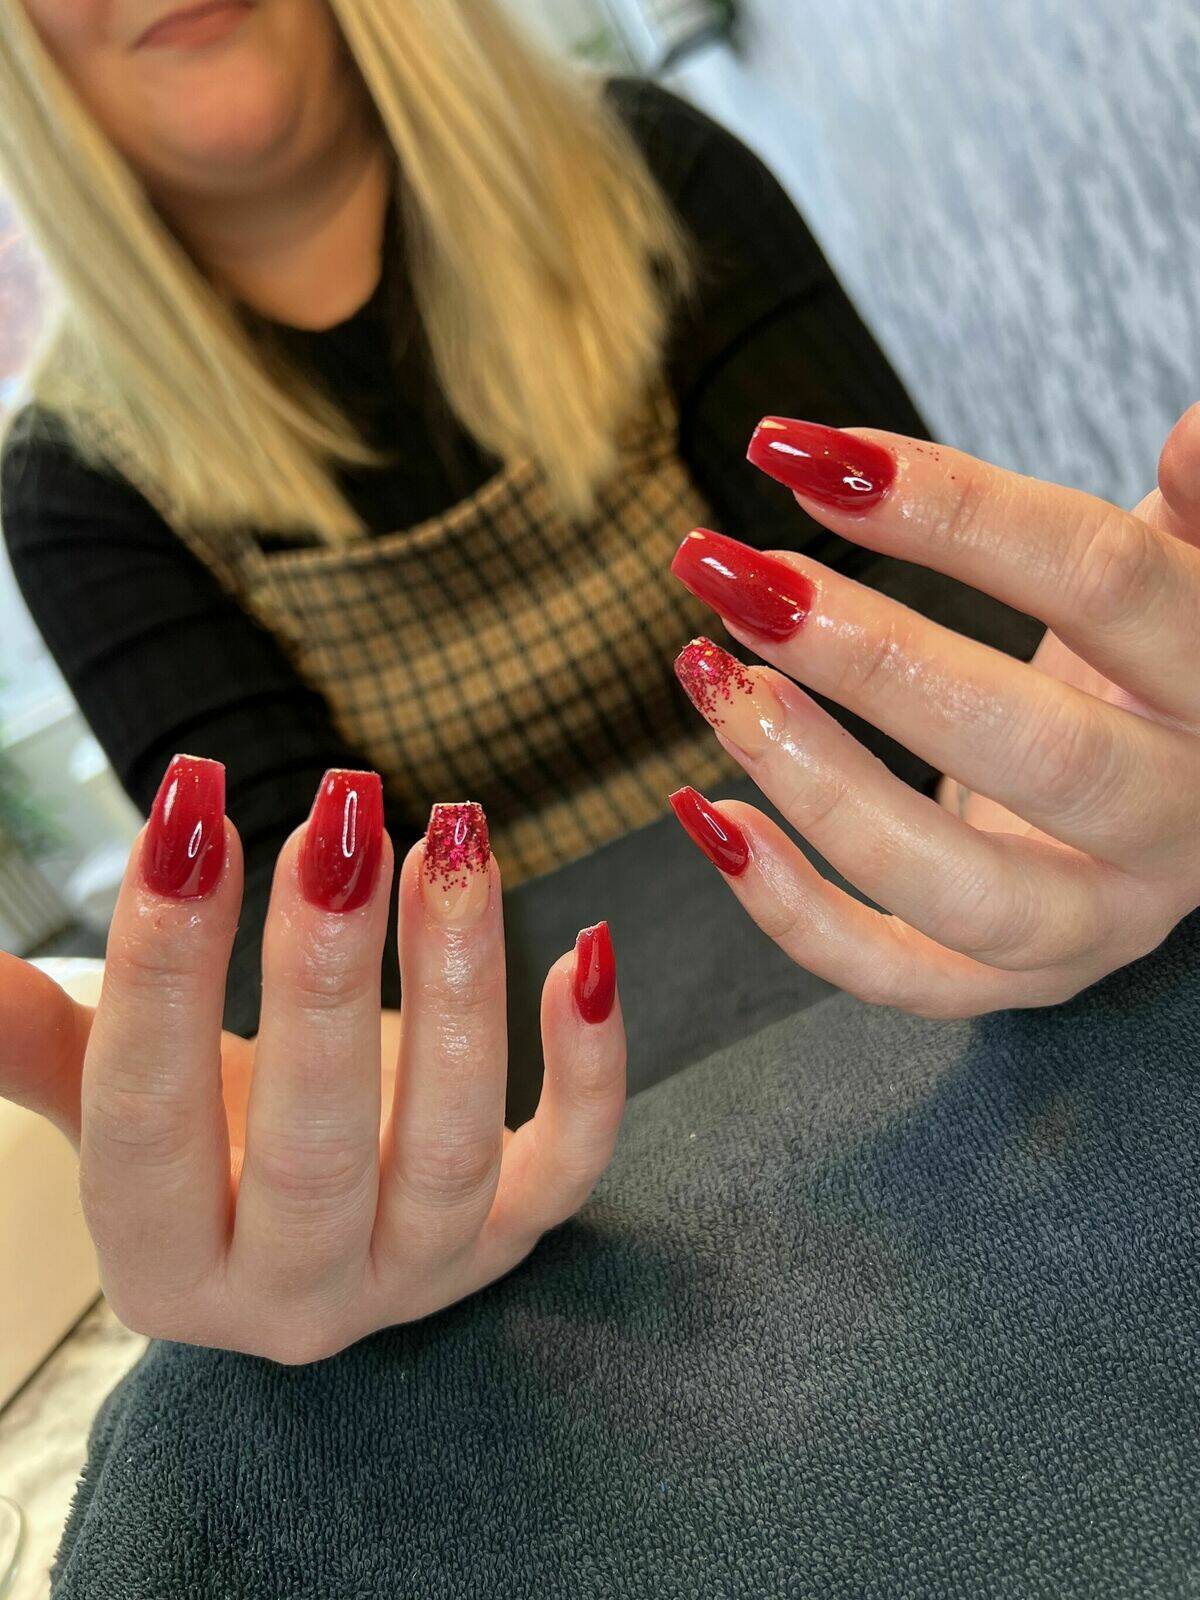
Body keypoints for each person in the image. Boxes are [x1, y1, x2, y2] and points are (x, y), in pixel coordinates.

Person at [0, 0, 1198, 1368]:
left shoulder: (651, 173)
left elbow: (888, 607)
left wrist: (1034, 779)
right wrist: (344, 1132)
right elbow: (299, 898)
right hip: (520, 1149)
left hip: (926, 971)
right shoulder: (77, 478)